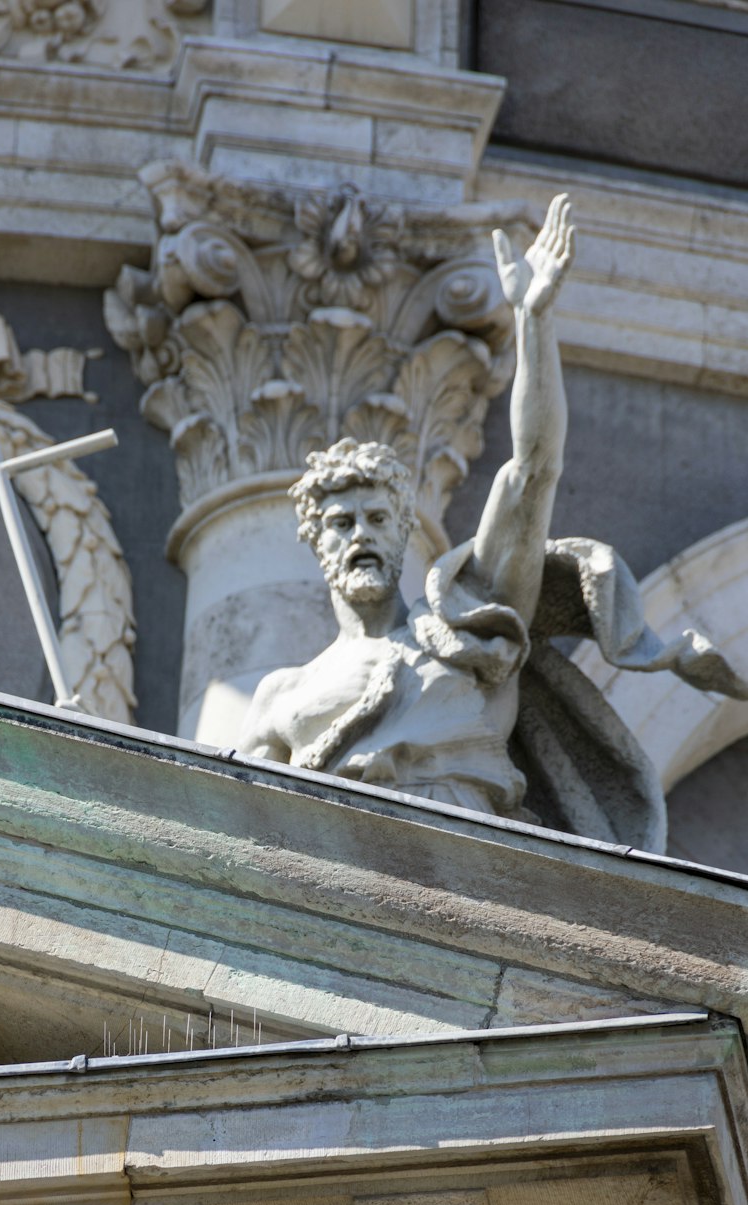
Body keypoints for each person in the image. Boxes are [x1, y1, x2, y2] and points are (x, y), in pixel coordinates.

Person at [238, 197, 747, 849]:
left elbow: (534, 470)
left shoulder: (469, 626)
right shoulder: (284, 694)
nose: (359, 533)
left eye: (376, 518)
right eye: (340, 523)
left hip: (467, 865)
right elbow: (239, 834)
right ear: (315, 542)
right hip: (330, 869)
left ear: (402, 532)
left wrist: (533, 321)